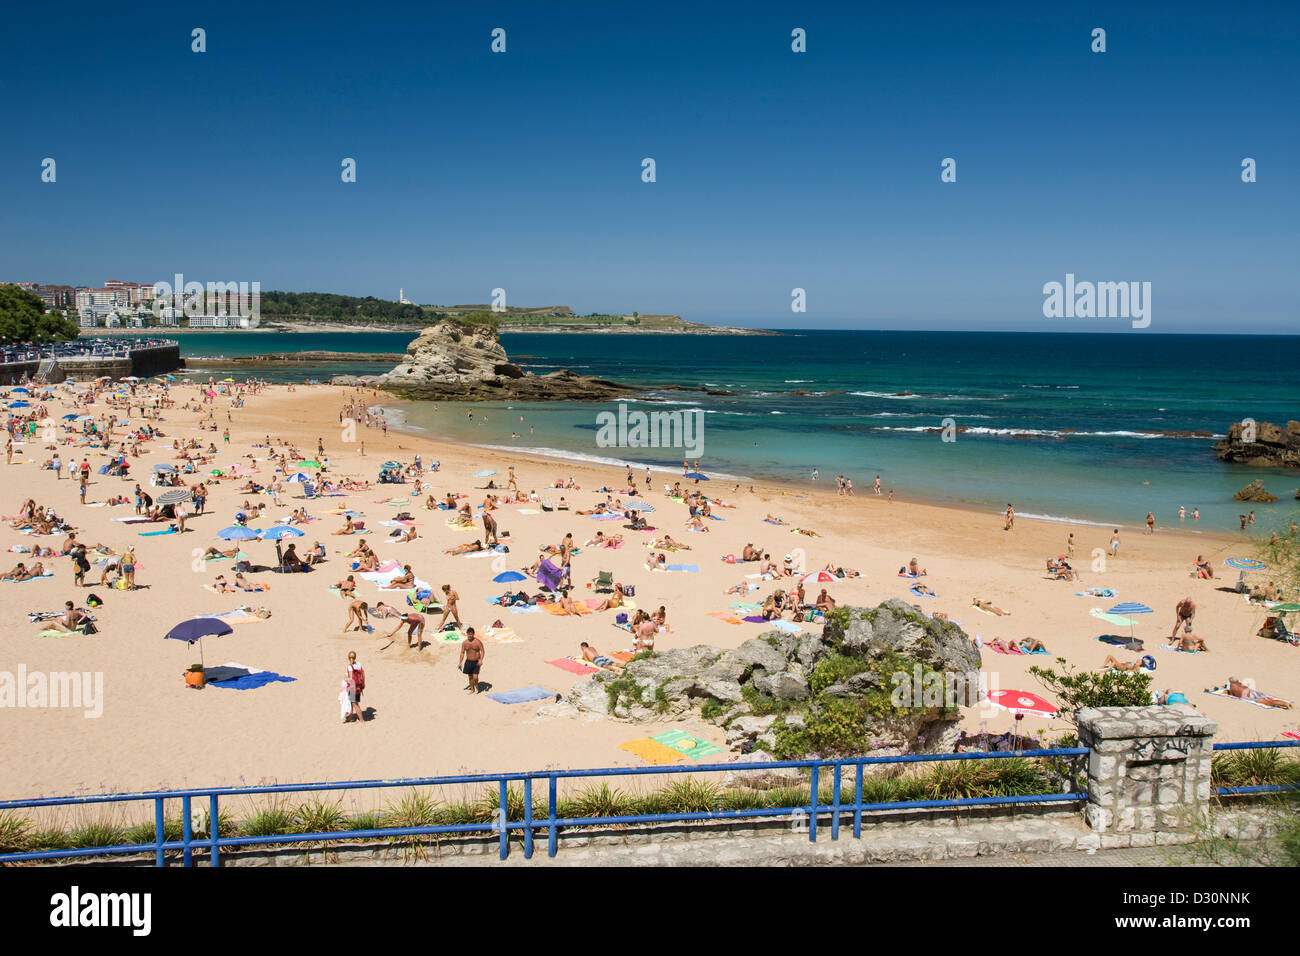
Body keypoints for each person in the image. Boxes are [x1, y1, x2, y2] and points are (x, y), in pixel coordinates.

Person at [1223, 677, 1290, 708]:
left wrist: (1228, 692)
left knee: (1268, 703)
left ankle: (1284, 703)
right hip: (1254, 692)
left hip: (1250, 696)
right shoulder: (1239, 683)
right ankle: (1282, 702)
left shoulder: (1231, 687)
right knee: (1269, 700)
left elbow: (1232, 695)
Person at [459, 627, 485, 692]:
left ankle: (476, 684)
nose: (470, 635)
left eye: (471, 634)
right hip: (468, 661)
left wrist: (481, 660)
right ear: (467, 634)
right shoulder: (464, 643)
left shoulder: (477, 642)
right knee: (470, 677)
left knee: (475, 677)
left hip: (476, 662)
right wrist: (460, 662)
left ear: (473, 634)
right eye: (469, 634)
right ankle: (472, 689)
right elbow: (462, 653)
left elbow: (482, 651)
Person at [344, 651, 365, 723]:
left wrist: (345, 679)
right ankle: (351, 718)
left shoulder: (350, 666)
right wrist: (363, 683)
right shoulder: (359, 664)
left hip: (353, 687)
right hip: (359, 686)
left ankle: (361, 720)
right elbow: (363, 673)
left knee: (355, 703)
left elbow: (351, 678)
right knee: (351, 702)